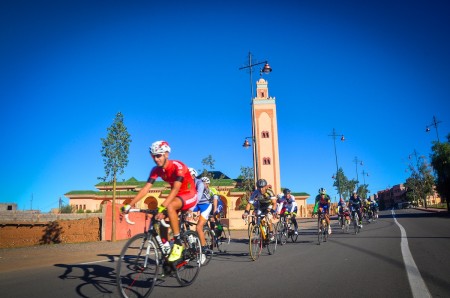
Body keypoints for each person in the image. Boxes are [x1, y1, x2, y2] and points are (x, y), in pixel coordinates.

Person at [122, 141, 198, 263]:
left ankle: (178, 243)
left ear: (166, 154)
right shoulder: (156, 170)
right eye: (153, 156)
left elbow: (175, 189)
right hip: (177, 196)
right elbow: (146, 188)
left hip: (189, 194)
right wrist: (129, 205)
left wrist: (163, 206)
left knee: (169, 206)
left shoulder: (178, 166)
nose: (156, 159)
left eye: (159, 155)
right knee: (160, 219)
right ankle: (167, 248)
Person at [188, 168, 212, 261]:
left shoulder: (199, 183)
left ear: (193, 175)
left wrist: (190, 209)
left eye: (188, 176)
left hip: (205, 206)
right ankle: (189, 237)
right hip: (197, 205)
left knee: (198, 227)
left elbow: (197, 197)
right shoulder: (187, 184)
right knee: (182, 215)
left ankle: (203, 250)